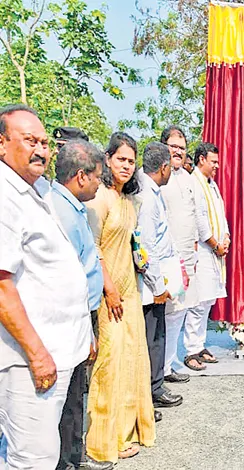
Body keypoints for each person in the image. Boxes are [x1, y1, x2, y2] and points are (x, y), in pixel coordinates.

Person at [0, 104, 92, 469]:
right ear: (2, 144)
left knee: (37, 452)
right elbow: (2, 285)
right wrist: (37, 354)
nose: (41, 150)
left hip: (57, 348)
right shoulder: (4, 196)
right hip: (27, 357)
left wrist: (83, 332)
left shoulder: (36, 189)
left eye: (44, 142)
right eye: (29, 141)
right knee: (32, 458)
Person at [84, 132, 155, 463]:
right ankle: (103, 440)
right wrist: (109, 289)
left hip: (129, 291)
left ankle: (127, 431)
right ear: (108, 159)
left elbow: (132, 242)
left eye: (131, 161)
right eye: (121, 159)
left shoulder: (129, 200)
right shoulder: (99, 198)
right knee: (109, 364)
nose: (126, 166)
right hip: (107, 294)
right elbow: (93, 249)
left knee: (131, 360)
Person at [49, 139, 113, 470]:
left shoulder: (73, 207)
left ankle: (75, 456)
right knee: (66, 397)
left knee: (76, 393)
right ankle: (67, 462)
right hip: (71, 316)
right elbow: (67, 275)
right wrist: (86, 328)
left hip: (82, 313)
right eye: (98, 177)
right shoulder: (60, 211)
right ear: (81, 176)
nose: (100, 184)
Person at [136, 142, 184, 412]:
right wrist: (157, 286)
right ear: (164, 167)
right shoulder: (147, 195)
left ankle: (155, 387)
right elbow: (147, 247)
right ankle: (150, 392)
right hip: (150, 283)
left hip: (158, 277)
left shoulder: (153, 191)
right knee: (151, 338)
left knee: (158, 335)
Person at [184, 142, 230, 371]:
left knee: (208, 301)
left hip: (215, 251)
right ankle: (191, 350)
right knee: (198, 302)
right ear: (201, 159)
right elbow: (200, 220)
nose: (217, 166)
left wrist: (226, 237)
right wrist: (214, 244)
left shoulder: (212, 184)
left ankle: (199, 345)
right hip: (202, 251)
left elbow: (220, 215)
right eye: (214, 162)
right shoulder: (194, 183)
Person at [159, 126, 196, 384]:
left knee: (178, 314)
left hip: (187, 257)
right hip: (166, 260)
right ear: (164, 147)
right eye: (173, 146)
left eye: (182, 148)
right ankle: (156, 372)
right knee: (162, 315)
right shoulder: (156, 177)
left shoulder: (188, 178)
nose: (178, 152)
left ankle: (167, 366)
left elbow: (194, 214)